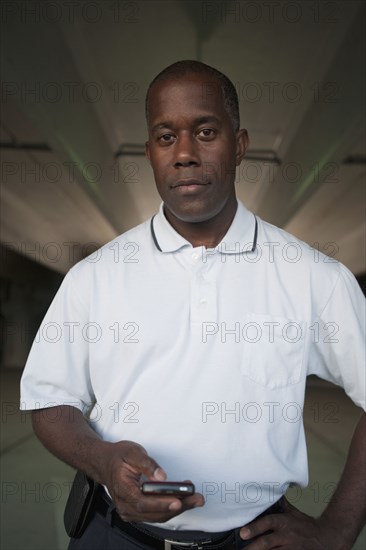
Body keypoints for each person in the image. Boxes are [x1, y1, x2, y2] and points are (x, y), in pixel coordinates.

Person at [20, 60, 365, 550]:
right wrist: (103, 461)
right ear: (149, 153)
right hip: (113, 537)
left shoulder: (313, 278)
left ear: (240, 145)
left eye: (205, 131)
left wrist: (339, 529)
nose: (184, 154)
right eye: (165, 137)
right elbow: (49, 401)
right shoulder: (93, 277)